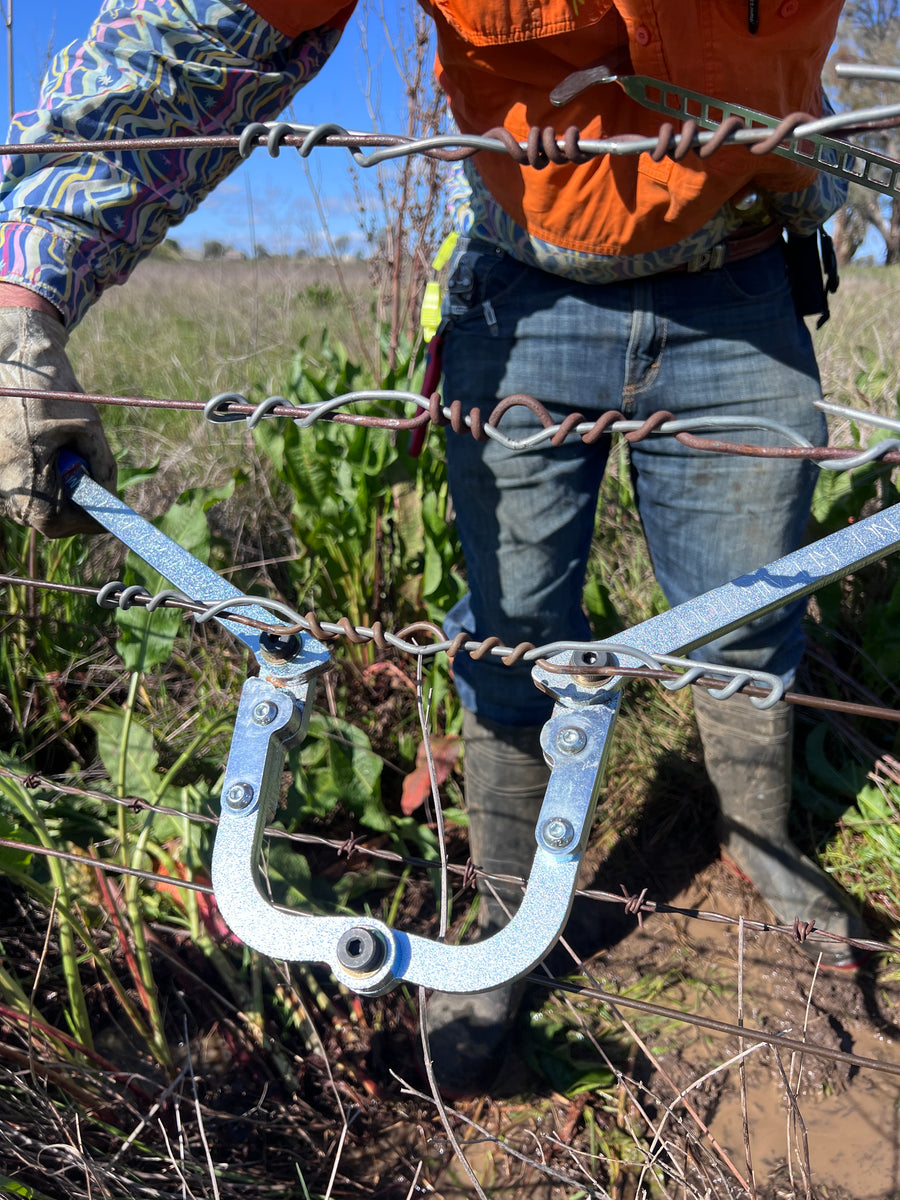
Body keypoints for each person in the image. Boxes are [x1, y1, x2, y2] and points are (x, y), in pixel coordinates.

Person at [0, 0, 866, 1095]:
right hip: (522, 296)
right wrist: (26, 288)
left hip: (744, 282)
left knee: (746, 622)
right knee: (511, 639)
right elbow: (193, 39)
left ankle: (762, 847)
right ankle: (503, 920)